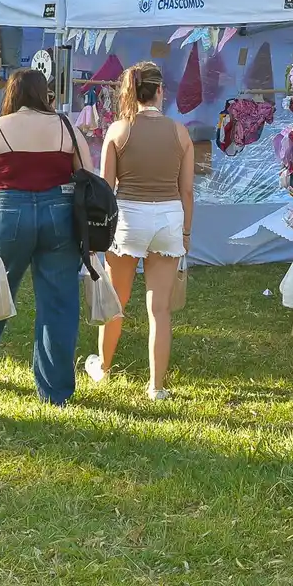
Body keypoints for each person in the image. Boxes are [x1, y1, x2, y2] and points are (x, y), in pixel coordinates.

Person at [0, 68, 90, 405]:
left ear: (11, 95)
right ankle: (55, 390)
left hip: (9, 212)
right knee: (59, 303)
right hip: (59, 213)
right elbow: (87, 175)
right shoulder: (66, 127)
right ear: (44, 93)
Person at [84, 61, 193, 401]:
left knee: (117, 300)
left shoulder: (118, 130)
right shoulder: (180, 132)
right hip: (169, 219)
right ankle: (156, 387)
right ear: (160, 91)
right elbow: (186, 190)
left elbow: (105, 189)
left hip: (128, 219)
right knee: (159, 309)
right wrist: (186, 233)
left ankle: (103, 367)